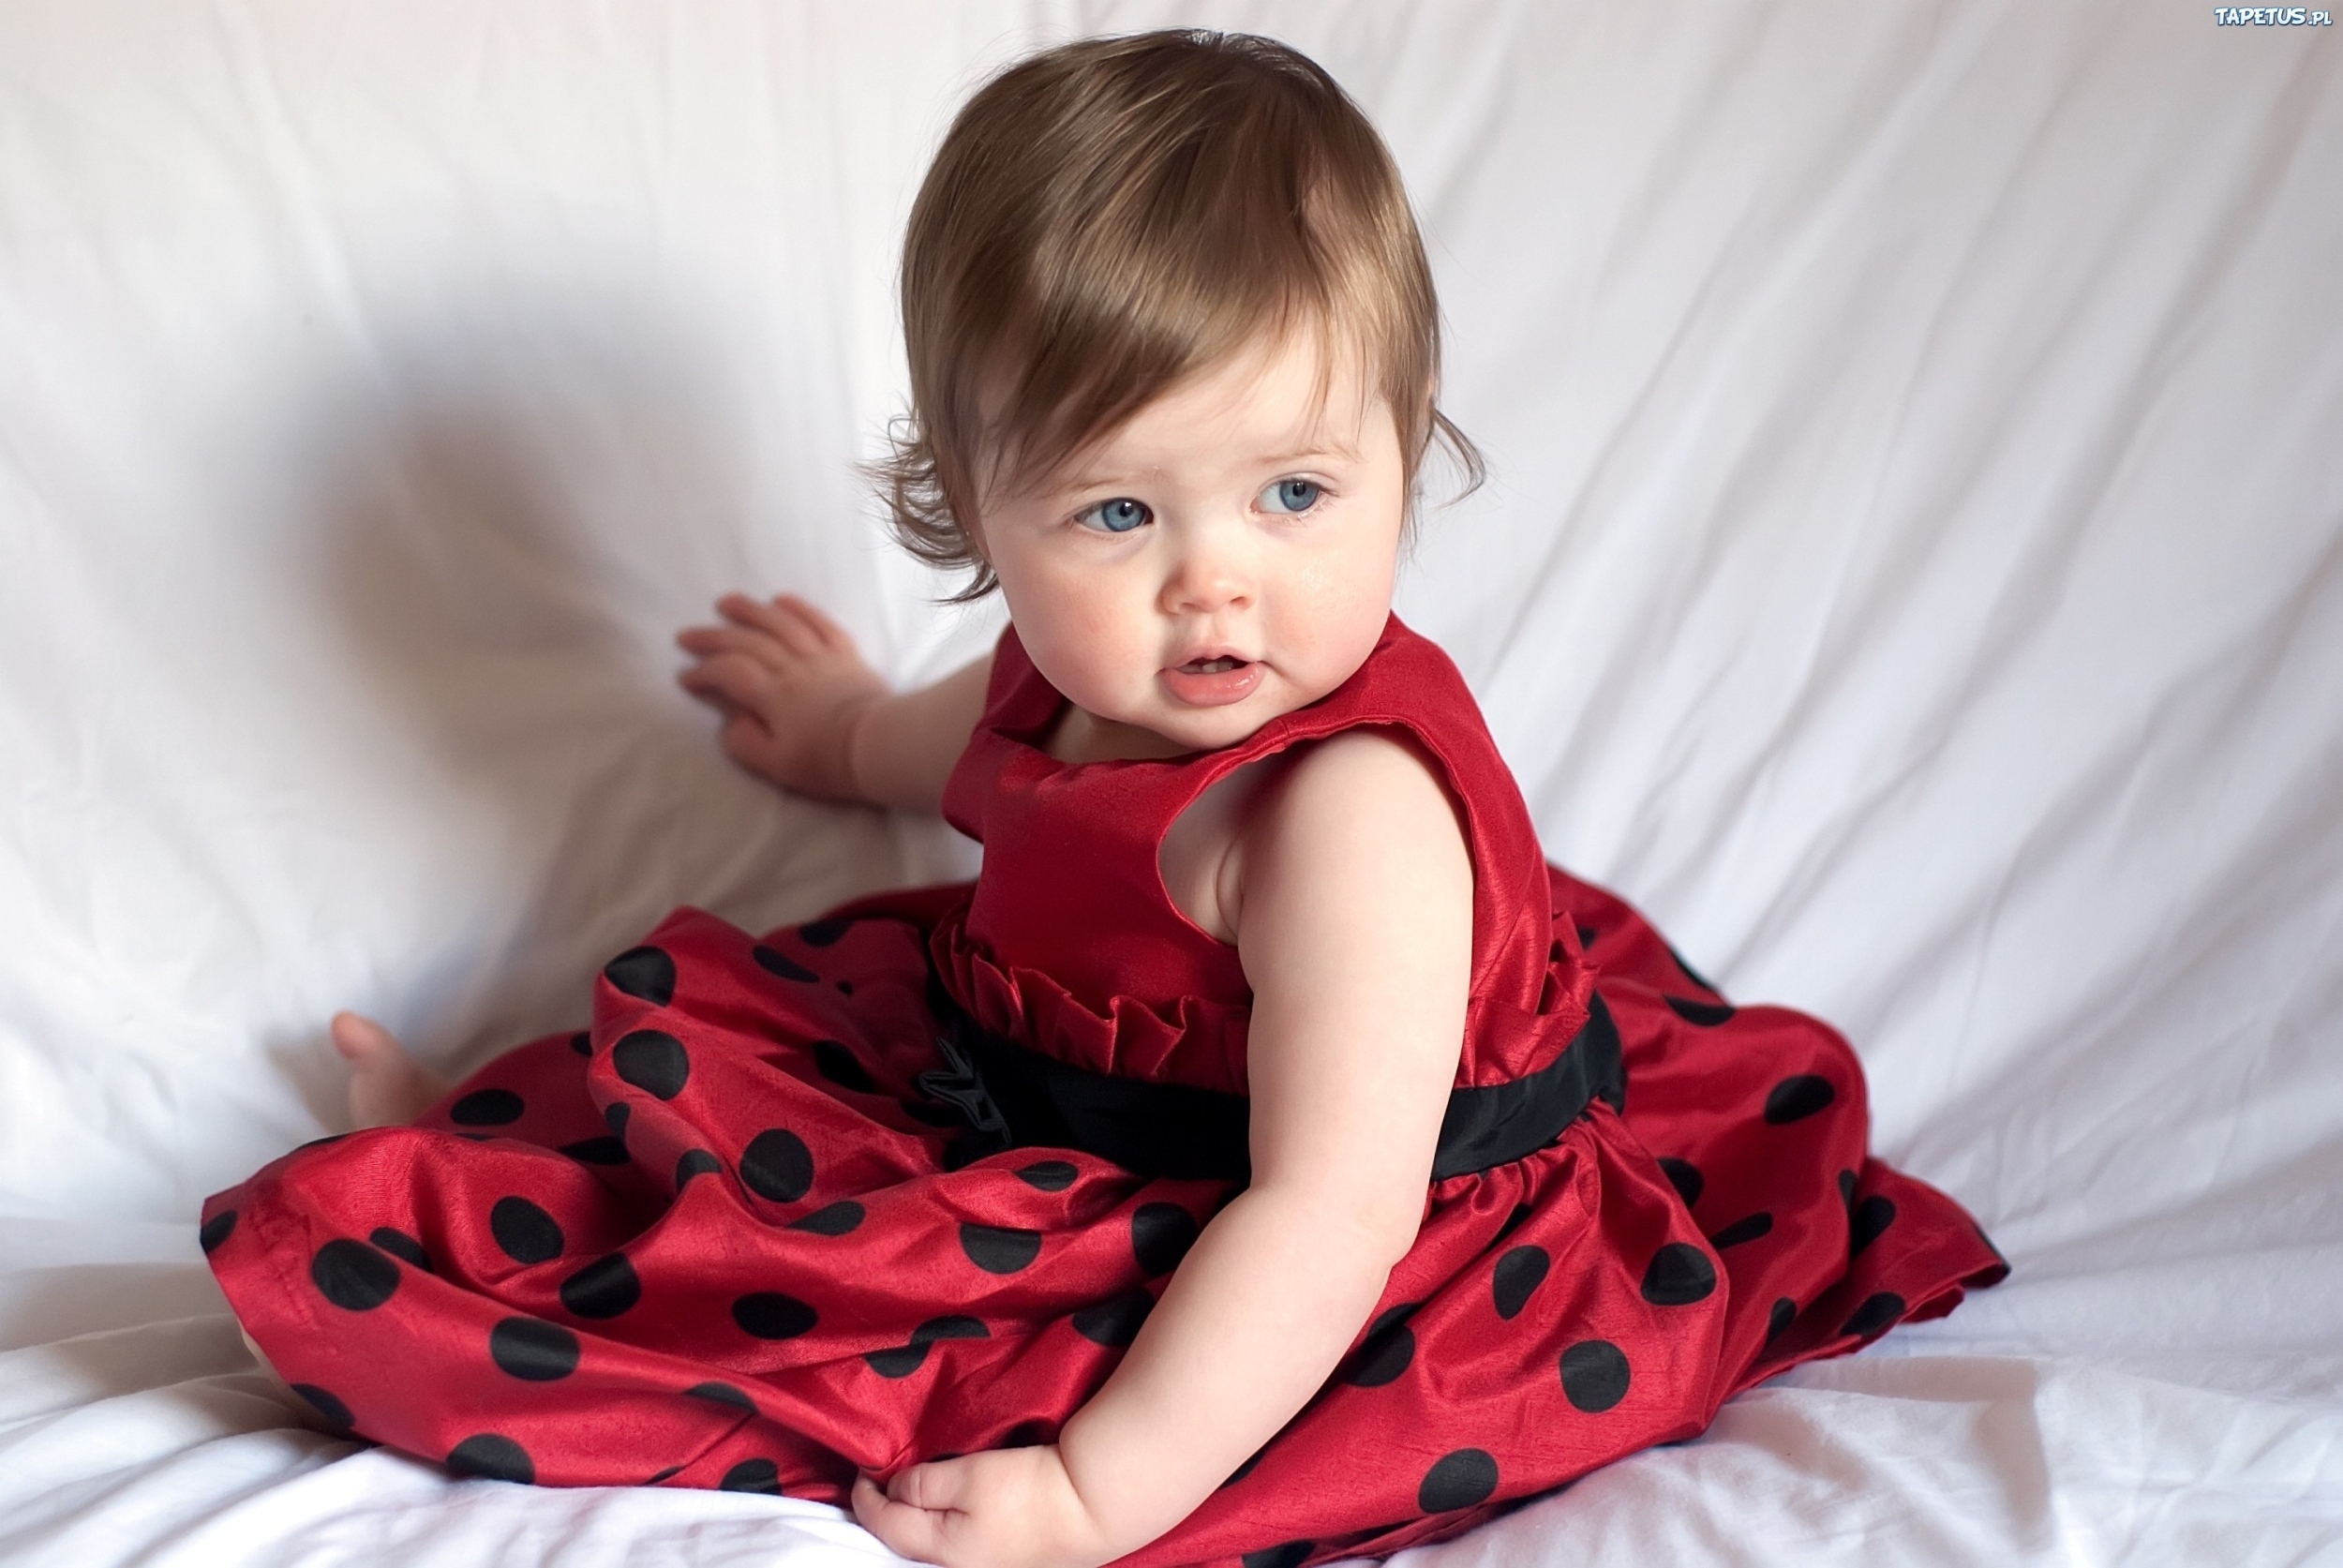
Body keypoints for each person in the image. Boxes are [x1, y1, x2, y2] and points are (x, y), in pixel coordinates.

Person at [201, 30, 2006, 1568]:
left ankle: (489, 1271)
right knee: (721, 1056)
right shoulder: (1065, 684)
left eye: (1293, 493)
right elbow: (949, 756)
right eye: (1117, 515)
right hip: (1035, 1082)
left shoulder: (1343, 817)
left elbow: (1326, 1216)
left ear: (1405, 429)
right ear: (976, 513)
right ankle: (477, 1173)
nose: (1211, 584)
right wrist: (833, 731)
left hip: (1296, 1235)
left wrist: (1094, 1489)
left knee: (866, 1350)